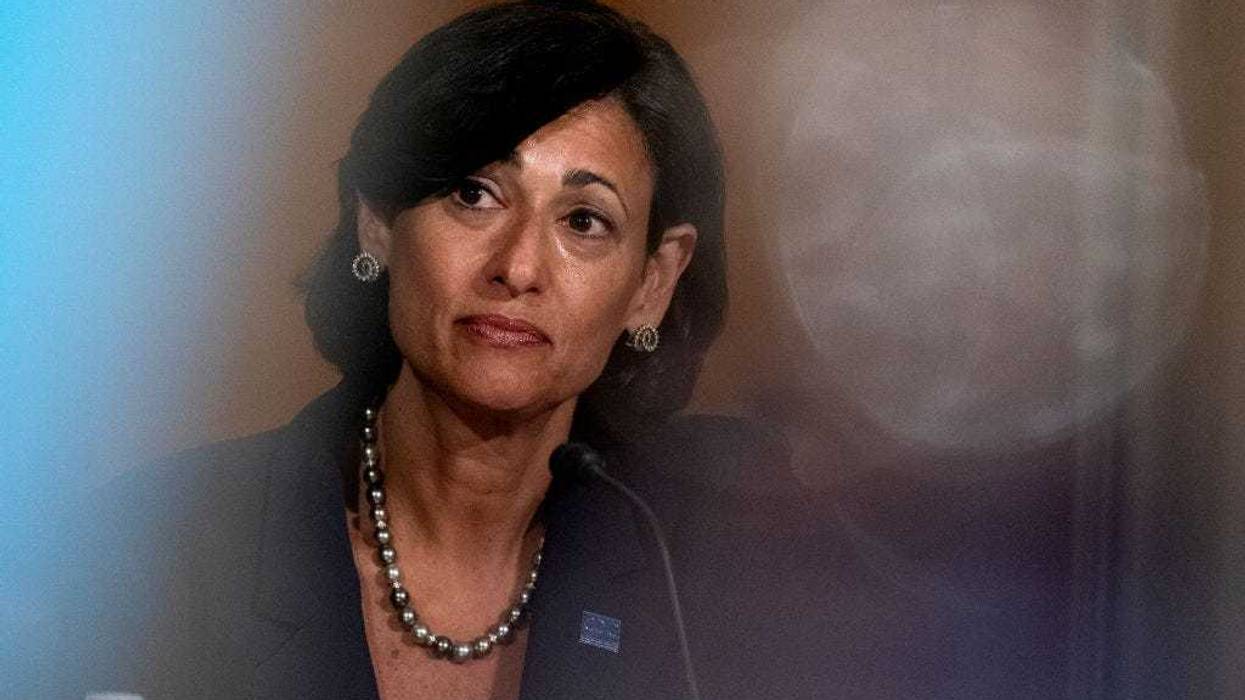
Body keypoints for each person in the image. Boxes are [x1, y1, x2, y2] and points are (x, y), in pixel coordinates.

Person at [60, 2, 805, 699]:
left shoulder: (721, 588)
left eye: (583, 220)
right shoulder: (150, 558)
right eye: (474, 194)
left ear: (652, 281)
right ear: (378, 221)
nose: (517, 267)